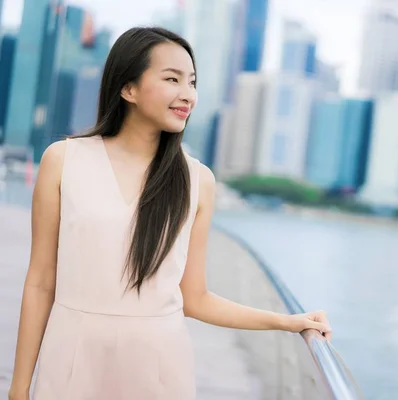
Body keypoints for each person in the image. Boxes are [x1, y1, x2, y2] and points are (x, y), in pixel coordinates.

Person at [8, 27, 332, 400]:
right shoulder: (63, 160)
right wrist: (19, 388)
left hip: (158, 369)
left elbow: (195, 299)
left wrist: (287, 322)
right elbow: (41, 282)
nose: (187, 95)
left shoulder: (197, 181)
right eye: (172, 79)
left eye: (192, 82)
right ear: (128, 89)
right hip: (70, 357)